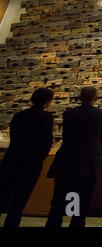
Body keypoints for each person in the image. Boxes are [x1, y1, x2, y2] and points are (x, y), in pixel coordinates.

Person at [45, 86, 102, 228]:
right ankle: (76, 224)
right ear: (95, 98)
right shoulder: (101, 115)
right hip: (88, 163)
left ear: (80, 97)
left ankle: (53, 224)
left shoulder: (68, 114)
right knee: (82, 198)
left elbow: (65, 135)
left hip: (66, 160)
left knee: (59, 199)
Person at [0, 88, 54, 227]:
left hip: (11, 160)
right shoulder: (46, 117)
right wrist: (38, 159)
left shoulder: (19, 115)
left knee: (2, 197)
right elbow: (47, 143)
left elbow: (13, 137)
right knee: (19, 202)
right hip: (31, 163)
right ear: (47, 101)